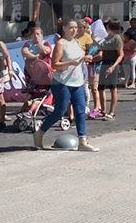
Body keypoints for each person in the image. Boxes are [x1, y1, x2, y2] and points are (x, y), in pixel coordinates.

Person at [33, 20, 98, 152]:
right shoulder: (61, 43)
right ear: (64, 28)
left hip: (78, 81)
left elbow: (79, 59)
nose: (74, 30)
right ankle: (40, 132)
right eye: (71, 27)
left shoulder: (77, 42)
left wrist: (86, 58)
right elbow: (54, 65)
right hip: (62, 82)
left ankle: (82, 141)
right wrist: (70, 63)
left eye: (76, 27)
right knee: (59, 111)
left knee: (80, 111)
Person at [95, 21, 124, 119]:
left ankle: (112, 112)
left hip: (112, 64)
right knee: (101, 87)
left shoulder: (117, 38)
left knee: (112, 88)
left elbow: (120, 55)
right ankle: (103, 110)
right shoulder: (107, 38)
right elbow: (101, 51)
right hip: (104, 63)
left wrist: (113, 66)